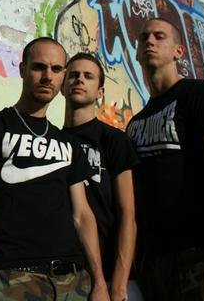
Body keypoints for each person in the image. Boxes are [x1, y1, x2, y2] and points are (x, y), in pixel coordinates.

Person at [0, 37, 110, 300]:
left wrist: (99, 282)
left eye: (56, 69)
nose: (47, 76)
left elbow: (83, 215)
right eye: (39, 67)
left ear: (63, 76)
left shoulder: (68, 143)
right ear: (22, 69)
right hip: (13, 278)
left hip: (73, 281)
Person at [126, 17, 204, 300]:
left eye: (159, 36)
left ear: (178, 51)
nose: (150, 41)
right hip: (157, 267)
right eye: (143, 38)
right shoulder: (134, 124)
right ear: (137, 53)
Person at [62, 52, 139, 301]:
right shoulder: (53, 141)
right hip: (66, 277)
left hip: (108, 274)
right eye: (73, 75)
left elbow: (128, 215)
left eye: (88, 76)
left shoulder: (114, 140)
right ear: (62, 86)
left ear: (100, 92)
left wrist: (119, 284)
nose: (79, 80)